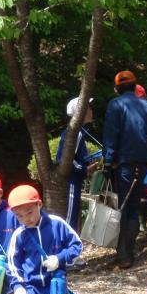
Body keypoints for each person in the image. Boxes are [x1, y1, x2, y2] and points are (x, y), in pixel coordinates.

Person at [102, 70, 147, 269]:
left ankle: (124, 255)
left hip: (123, 164)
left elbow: (111, 135)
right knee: (134, 207)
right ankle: (129, 252)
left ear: (117, 88)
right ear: (135, 87)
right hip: (142, 164)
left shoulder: (115, 105)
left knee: (122, 208)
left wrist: (107, 162)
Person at [55, 97, 98, 234]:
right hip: (71, 182)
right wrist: (85, 169)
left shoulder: (76, 132)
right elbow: (64, 159)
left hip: (74, 181)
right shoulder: (75, 133)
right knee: (69, 217)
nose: (91, 111)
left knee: (73, 216)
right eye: (88, 108)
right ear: (81, 112)